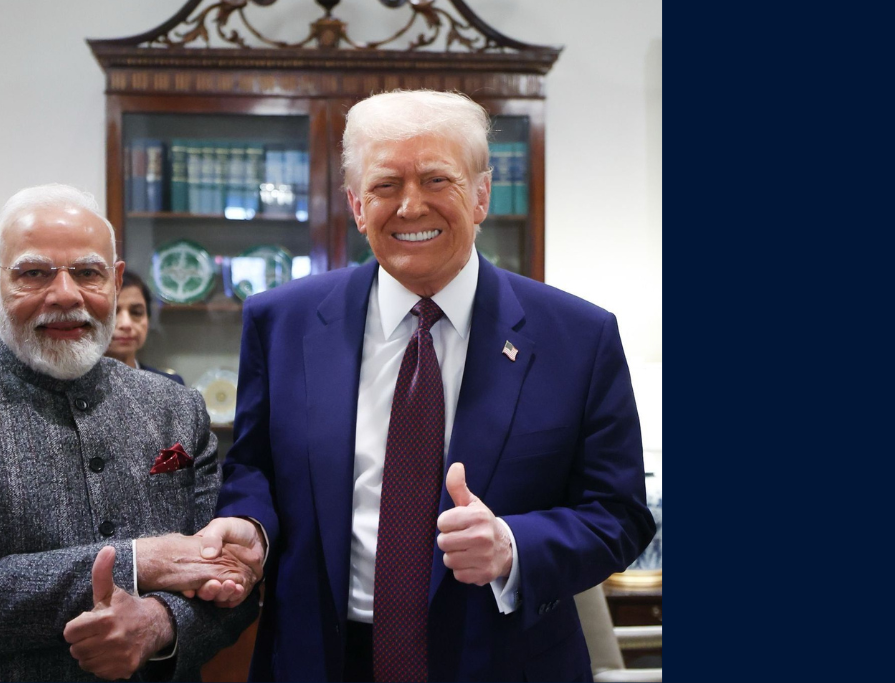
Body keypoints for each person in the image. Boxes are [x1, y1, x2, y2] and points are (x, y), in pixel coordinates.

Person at [201, 90, 656, 681]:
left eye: (438, 179)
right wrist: (250, 526)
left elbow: (619, 514)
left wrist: (513, 547)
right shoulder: (281, 321)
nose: (411, 206)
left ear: (483, 195)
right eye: (386, 185)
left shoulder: (577, 335)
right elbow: (254, 466)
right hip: (320, 659)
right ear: (357, 206)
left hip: (502, 662)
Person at [0, 184, 259, 682]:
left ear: (115, 282)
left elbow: (229, 580)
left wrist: (159, 625)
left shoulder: (175, 406)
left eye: (88, 272)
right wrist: (139, 562)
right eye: (34, 273)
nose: (67, 294)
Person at [105, 271, 184, 384]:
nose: (126, 324)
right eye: (112, 313)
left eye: (136, 312)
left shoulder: (171, 385)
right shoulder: (73, 386)